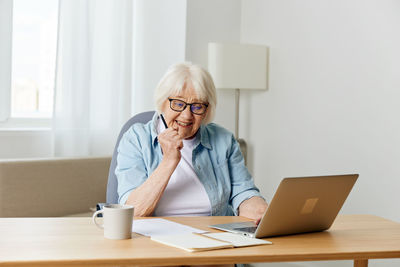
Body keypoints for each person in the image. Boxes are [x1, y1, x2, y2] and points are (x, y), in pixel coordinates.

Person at [115, 62, 268, 223]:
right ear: (163, 102)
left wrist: (261, 212)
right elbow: (133, 211)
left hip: (213, 235)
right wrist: (169, 161)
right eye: (179, 104)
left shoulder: (223, 140)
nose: (187, 116)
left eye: (197, 106)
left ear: (207, 110)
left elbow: (243, 193)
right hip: (156, 238)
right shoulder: (136, 138)